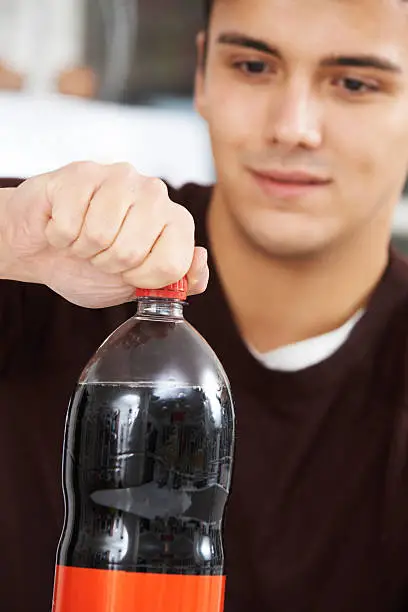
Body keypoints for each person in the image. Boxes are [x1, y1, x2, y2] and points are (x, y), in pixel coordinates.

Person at [1, 0, 408, 610]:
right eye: (252, 65)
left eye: (354, 83)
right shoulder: (57, 257)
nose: (292, 126)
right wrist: (10, 239)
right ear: (202, 75)